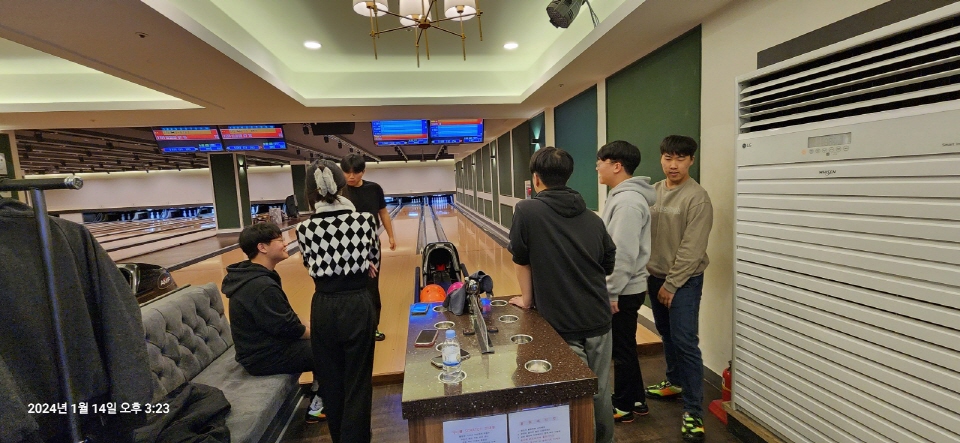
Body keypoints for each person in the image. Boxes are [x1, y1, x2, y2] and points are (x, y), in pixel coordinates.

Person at [508, 147, 617, 443]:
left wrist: (527, 299)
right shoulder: (592, 217)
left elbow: (521, 258)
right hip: (599, 318)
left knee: (573, 397)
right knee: (600, 391)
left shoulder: (527, 211)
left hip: (562, 321)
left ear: (536, 178)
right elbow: (608, 262)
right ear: (568, 175)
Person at [296, 159, 380, 443]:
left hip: (324, 305)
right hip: (357, 303)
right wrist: (362, 262)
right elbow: (372, 259)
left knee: (330, 378)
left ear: (310, 193)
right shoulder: (365, 221)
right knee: (358, 379)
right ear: (342, 187)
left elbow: (309, 265)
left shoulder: (304, 229)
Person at [220, 222, 326, 423]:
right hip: (261, 357)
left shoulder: (257, 275)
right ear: (262, 247)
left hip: (264, 347)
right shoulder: (260, 286)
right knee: (329, 348)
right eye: (279, 240)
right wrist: (322, 336)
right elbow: (289, 328)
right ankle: (319, 406)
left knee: (322, 340)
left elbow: (287, 316)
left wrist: (315, 329)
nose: (285, 243)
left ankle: (319, 392)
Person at [644, 135, 713, 442]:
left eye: (680, 159)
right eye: (668, 158)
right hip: (655, 276)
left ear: (691, 161)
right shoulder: (654, 191)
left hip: (684, 281)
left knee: (685, 341)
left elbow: (692, 249)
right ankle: (674, 382)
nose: (673, 165)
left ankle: (694, 412)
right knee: (667, 334)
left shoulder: (697, 198)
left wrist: (672, 284)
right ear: (661, 158)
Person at [595, 140, 657, 423]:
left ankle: (623, 405)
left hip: (623, 290)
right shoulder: (622, 197)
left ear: (617, 166)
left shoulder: (628, 202)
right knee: (626, 346)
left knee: (621, 349)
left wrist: (610, 292)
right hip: (627, 288)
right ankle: (636, 400)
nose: (597, 167)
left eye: (601, 162)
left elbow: (623, 254)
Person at [340, 153, 397, 342]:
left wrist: (391, 236)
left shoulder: (374, 189)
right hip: (344, 246)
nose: (351, 176)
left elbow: (383, 213)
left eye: (355, 172)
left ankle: (373, 327)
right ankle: (351, 328)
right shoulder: (339, 192)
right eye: (347, 172)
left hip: (371, 245)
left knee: (371, 286)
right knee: (348, 287)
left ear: (363, 171)